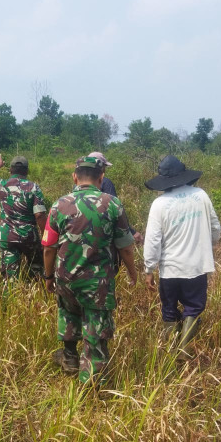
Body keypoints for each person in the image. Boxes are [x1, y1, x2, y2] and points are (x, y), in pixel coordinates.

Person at [42, 155, 138, 385]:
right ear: (101, 177)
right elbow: (125, 246)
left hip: (65, 279)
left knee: (68, 314)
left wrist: (48, 276)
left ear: (75, 177)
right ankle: (92, 385)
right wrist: (133, 273)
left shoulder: (59, 205)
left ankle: (70, 359)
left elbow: (48, 247)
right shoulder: (112, 204)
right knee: (95, 331)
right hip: (98, 283)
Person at [143, 155, 221, 358]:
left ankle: (170, 353)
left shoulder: (159, 204)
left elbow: (152, 240)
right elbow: (215, 227)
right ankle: (185, 352)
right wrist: (207, 245)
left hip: (169, 270)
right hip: (197, 267)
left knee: (169, 309)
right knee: (193, 307)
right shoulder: (201, 195)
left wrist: (149, 269)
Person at [0, 154, 47, 280]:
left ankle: (10, 295)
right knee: (36, 270)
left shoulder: (2, 185)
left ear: (10, 170)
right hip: (29, 236)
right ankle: (35, 292)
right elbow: (40, 215)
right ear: (27, 171)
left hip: (7, 237)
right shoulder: (33, 187)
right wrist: (45, 236)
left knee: (9, 279)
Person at [88, 152, 144, 245]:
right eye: (104, 166)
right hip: (104, 237)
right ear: (100, 167)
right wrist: (132, 232)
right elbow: (115, 211)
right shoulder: (105, 182)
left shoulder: (76, 186)